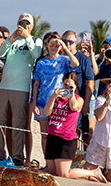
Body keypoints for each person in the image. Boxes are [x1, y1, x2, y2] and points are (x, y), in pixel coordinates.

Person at [0, 13, 42, 166]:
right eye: (22, 22)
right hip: (4, 86)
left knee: (18, 124)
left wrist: (27, 37)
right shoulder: (12, 40)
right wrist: (10, 39)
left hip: (21, 89)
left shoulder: (35, 40)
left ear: (31, 26)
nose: (24, 25)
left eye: (27, 23)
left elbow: (36, 54)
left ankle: (18, 157)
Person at [44, 71, 106, 182]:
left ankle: (92, 172)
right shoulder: (56, 99)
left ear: (76, 86)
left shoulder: (79, 99)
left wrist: (71, 93)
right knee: (52, 172)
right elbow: (46, 112)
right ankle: (86, 174)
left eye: (70, 85)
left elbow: (74, 107)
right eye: (65, 85)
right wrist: (53, 96)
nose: (67, 87)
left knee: (64, 174)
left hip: (66, 139)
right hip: (53, 136)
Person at [31, 32, 79, 162]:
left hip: (60, 103)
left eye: (56, 44)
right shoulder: (41, 62)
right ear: (47, 46)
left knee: (57, 134)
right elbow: (36, 84)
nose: (53, 47)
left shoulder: (64, 60)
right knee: (45, 135)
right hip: (42, 101)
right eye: (51, 44)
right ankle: (47, 162)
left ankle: (58, 161)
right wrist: (34, 103)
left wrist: (64, 47)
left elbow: (76, 63)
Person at [63, 30, 97, 146]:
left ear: (76, 43)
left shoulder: (83, 59)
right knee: (70, 133)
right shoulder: (60, 58)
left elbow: (90, 83)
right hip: (64, 101)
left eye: (70, 42)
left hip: (80, 99)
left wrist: (86, 104)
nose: (67, 44)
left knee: (85, 134)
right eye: (65, 41)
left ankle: (83, 161)